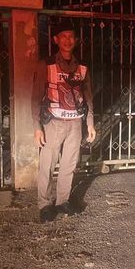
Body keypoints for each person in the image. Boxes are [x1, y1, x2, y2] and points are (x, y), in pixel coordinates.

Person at [32, 19, 96, 221]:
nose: (67, 40)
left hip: (75, 123)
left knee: (69, 164)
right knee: (47, 165)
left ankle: (62, 201)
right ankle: (44, 205)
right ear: (56, 40)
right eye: (63, 36)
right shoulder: (46, 64)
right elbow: (35, 97)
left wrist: (90, 123)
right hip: (53, 123)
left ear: (76, 40)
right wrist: (37, 127)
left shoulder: (82, 67)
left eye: (71, 36)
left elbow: (88, 96)